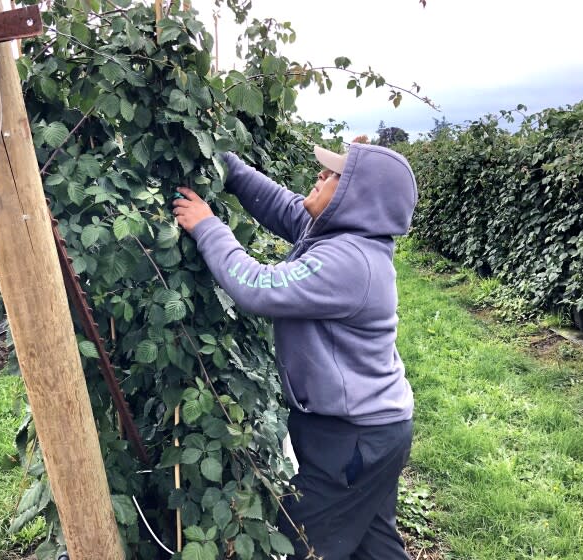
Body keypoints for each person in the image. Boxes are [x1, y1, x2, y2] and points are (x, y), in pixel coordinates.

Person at [171, 142, 418, 559]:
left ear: (357, 195)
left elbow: (258, 288)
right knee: (375, 547)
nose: (319, 176)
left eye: (333, 175)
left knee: (303, 543)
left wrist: (207, 226)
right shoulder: (340, 234)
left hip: (351, 440)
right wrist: (219, 157)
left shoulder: (351, 261)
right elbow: (279, 203)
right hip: (373, 431)